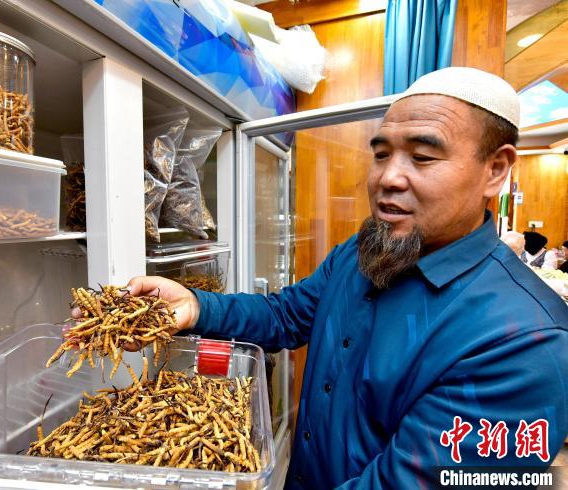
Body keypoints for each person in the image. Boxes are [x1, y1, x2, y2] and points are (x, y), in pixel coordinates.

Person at [89, 68, 568, 488]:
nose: (388, 178)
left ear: (495, 170)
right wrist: (196, 306)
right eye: (381, 154)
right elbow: (286, 315)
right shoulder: (361, 254)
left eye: (422, 157)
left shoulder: (527, 343)